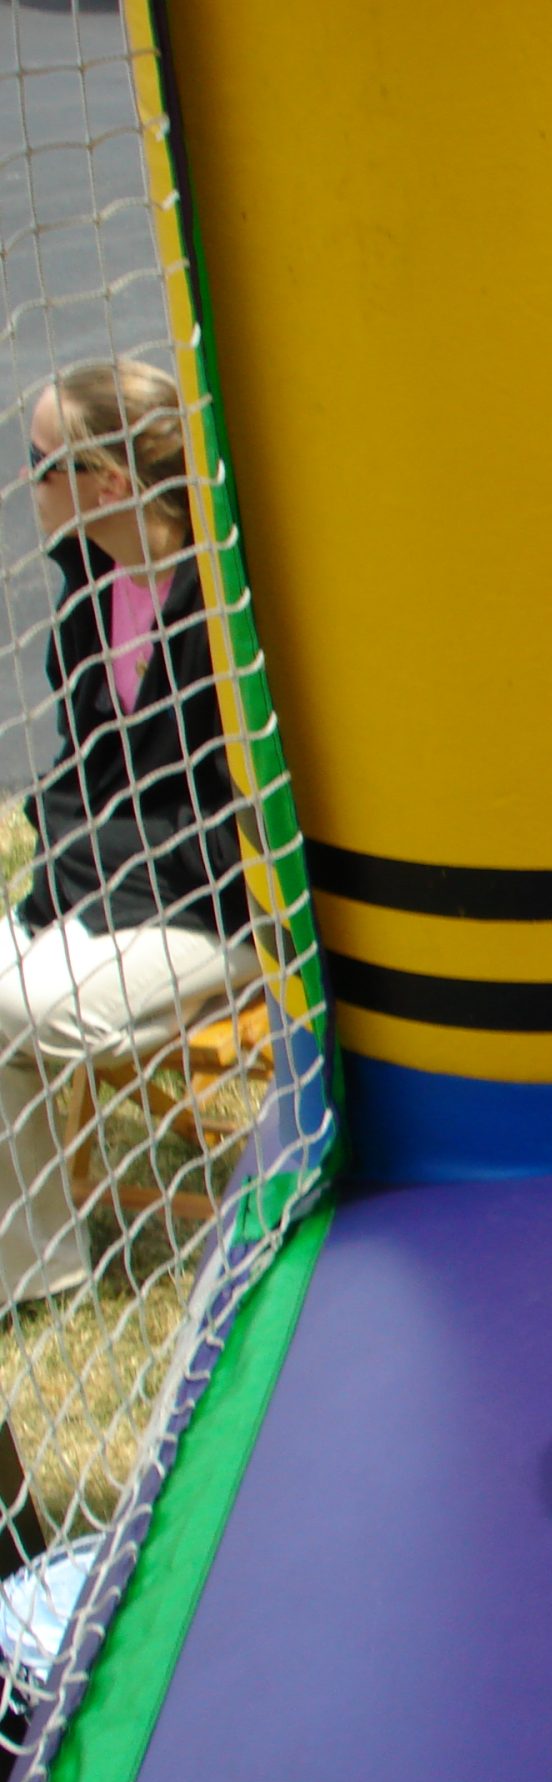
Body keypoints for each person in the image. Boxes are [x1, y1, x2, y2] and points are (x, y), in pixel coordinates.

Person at [3, 360, 258, 1304]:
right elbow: (70, 783)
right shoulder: (87, 597)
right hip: (102, 892)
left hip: (214, 916)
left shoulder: (229, 606)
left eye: (43, 465)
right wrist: (66, 891)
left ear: (110, 483)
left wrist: (89, 884)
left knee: (24, 1006)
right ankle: (37, 1275)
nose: (27, 485)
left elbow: (228, 839)